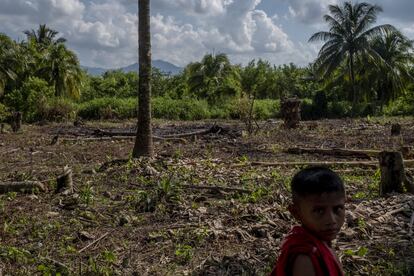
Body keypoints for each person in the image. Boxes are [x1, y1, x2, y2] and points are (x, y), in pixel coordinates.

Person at [271, 166, 345, 276]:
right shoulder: (304, 257)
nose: (331, 220)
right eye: (319, 211)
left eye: (337, 209)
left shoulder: (321, 243)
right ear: (296, 213)